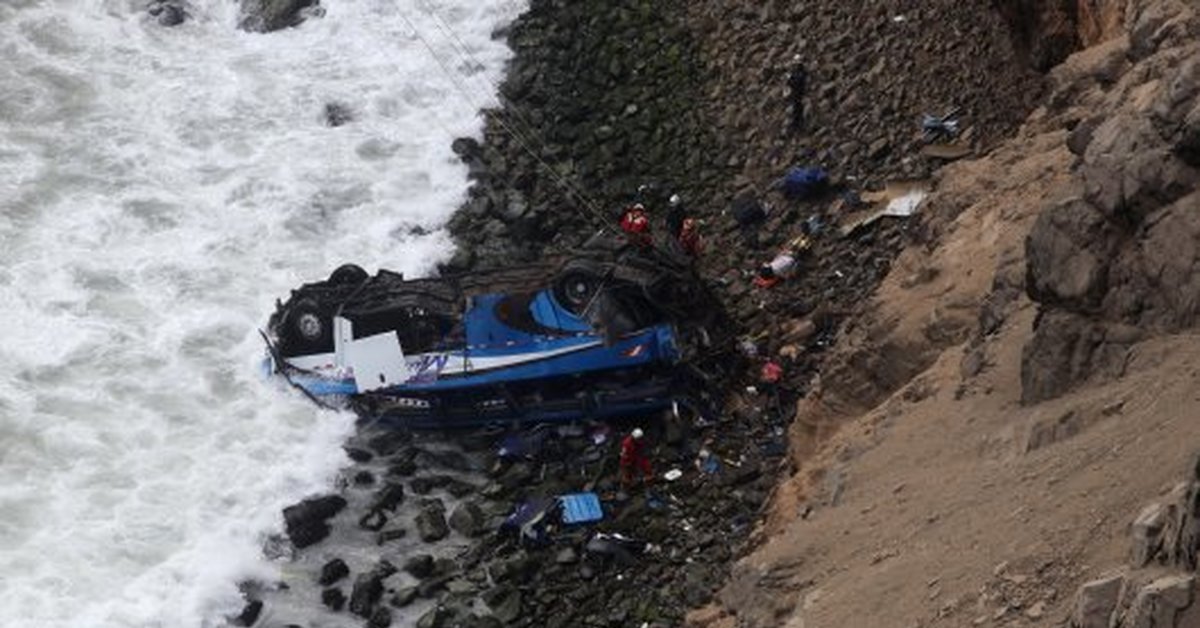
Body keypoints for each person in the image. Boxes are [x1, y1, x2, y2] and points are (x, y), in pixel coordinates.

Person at [787, 56, 808, 135]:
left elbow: (796, 83)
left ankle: (798, 126)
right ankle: (798, 125)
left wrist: (790, 79)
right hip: (797, 94)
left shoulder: (800, 73)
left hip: (798, 94)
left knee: (797, 110)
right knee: (797, 109)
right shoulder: (800, 72)